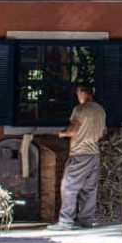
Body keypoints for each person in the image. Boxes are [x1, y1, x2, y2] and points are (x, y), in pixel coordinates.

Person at [48, 83, 106, 231]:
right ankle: (87, 220)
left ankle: (66, 221)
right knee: (89, 189)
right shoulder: (100, 110)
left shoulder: (80, 109)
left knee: (68, 186)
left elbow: (72, 130)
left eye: (77, 93)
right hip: (94, 153)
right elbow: (101, 133)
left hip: (79, 153)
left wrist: (62, 134)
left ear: (81, 92)